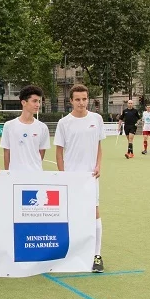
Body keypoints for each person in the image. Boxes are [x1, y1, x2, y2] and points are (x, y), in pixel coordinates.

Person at [54, 85, 105, 273]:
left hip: (90, 177)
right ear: (71, 101)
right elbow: (59, 152)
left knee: (94, 213)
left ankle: (96, 255)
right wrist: (63, 175)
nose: (81, 103)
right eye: (77, 99)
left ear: (88, 99)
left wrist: (99, 165)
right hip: (71, 178)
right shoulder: (64, 123)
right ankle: (71, 253)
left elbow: (98, 147)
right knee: (70, 215)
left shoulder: (96, 119)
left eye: (84, 99)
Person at [1, 85, 51, 172]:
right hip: (15, 175)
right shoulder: (9, 126)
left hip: (36, 175)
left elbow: (41, 152)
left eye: (39, 101)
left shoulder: (43, 127)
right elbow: (7, 152)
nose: (38, 105)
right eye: (34, 101)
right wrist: (8, 174)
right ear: (24, 102)